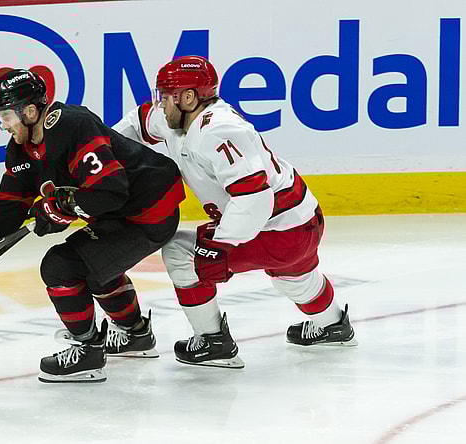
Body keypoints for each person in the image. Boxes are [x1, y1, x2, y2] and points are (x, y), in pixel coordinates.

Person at [0, 69, 186, 383]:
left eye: (5, 116)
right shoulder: (21, 148)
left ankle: (87, 351)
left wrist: (62, 208)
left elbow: (111, 190)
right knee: (96, 266)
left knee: (62, 267)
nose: (3, 125)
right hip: (120, 214)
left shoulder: (71, 125)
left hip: (148, 211)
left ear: (29, 111)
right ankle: (135, 334)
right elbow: (9, 205)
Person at [114, 55, 357, 369]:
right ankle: (333, 325)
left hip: (278, 229)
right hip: (301, 219)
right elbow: (137, 122)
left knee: (181, 254)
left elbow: (254, 198)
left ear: (188, 97)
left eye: (165, 96)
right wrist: (102, 153)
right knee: (295, 278)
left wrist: (220, 244)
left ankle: (213, 340)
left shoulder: (219, 130)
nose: (160, 104)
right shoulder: (179, 117)